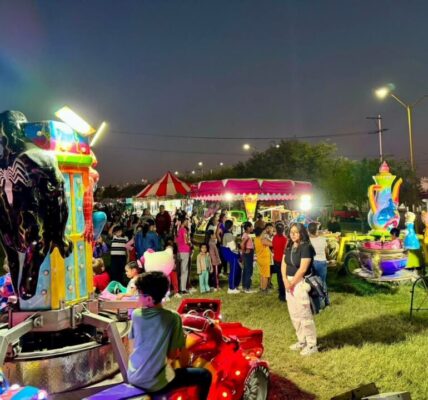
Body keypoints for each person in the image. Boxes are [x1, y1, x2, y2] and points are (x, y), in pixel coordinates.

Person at [128, 271, 212, 399]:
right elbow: (173, 355)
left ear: (149, 299)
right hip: (155, 384)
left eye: (139, 294)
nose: (137, 297)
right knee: (205, 375)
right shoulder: (172, 317)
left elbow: (132, 345)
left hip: (133, 376)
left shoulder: (136, 315)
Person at [281, 223, 318, 356]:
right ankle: (302, 340)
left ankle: (311, 344)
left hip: (300, 283)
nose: (293, 234)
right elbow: (284, 263)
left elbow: (302, 269)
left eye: (296, 232)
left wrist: (291, 283)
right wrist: (285, 280)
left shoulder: (306, 247)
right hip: (289, 283)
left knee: (304, 314)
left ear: (302, 233)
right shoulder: (290, 246)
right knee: (294, 314)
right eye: (291, 232)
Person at [272, 222, 287, 301]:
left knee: (279, 277)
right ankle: (283, 295)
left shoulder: (274, 237)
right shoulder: (285, 239)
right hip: (283, 261)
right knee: (284, 277)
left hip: (276, 260)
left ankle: (281, 294)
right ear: (283, 229)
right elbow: (285, 250)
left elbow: (273, 247)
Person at [254, 227, 272, 293]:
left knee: (262, 274)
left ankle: (262, 287)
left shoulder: (256, 239)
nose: (264, 233)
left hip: (260, 258)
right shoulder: (262, 240)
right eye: (263, 232)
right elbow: (272, 244)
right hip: (264, 260)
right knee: (265, 275)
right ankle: (264, 289)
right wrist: (268, 238)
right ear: (261, 233)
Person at [176, 217, 191, 294]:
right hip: (185, 251)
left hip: (179, 251)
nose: (188, 223)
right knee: (184, 270)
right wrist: (190, 244)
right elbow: (186, 241)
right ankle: (183, 288)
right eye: (186, 222)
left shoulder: (178, 230)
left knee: (179, 270)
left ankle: (178, 287)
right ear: (183, 222)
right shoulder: (184, 230)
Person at [241, 221, 255, 293]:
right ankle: (247, 287)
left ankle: (244, 286)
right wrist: (244, 251)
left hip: (249, 252)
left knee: (246, 269)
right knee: (249, 270)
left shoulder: (247, 235)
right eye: (251, 226)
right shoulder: (246, 235)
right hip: (248, 253)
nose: (253, 228)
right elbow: (242, 244)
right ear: (248, 228)